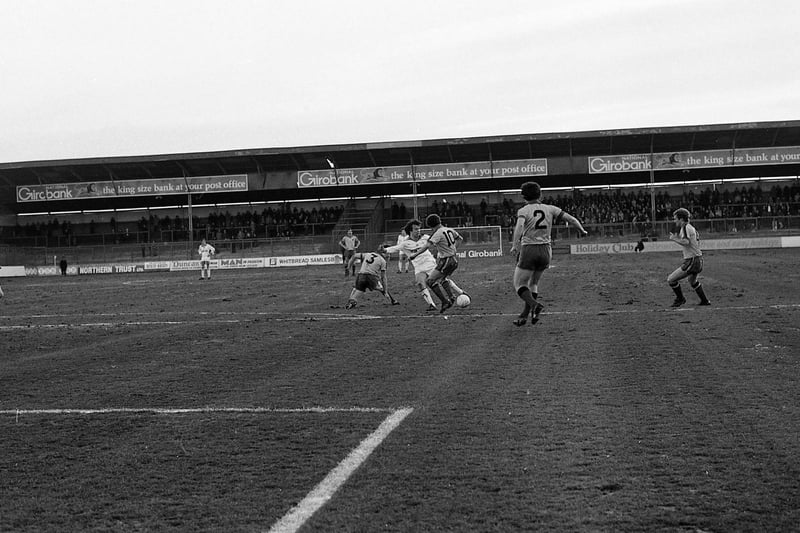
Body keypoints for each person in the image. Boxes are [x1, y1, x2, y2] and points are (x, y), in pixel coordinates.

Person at [510, 181, 588, 326]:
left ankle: (534, 305)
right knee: (533, 283)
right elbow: (570, 219)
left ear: (523, 196)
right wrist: (581, 230)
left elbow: (520, 226)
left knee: (519, 284)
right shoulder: (551, 209)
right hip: (546, 250)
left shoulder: (523, 211)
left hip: (529, 249)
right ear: (540, 194)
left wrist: (515, 244)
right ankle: (526, 314)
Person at [384, 219, 467, 312]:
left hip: (430, 264)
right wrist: (384, 250)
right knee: (420, 283)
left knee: (441, 280)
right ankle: (432, 304)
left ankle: (459, 293)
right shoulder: (405, 243)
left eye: (419, 229)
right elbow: (394, 248)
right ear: (410, 231)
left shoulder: (426, 237)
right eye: (416, 229)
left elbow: (438, 244)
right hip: (419, 268)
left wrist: (440, 253)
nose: (418, 231)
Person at [408, 214, 467, 314]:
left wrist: (414, 255)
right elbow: (460, 238)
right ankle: (451, 297)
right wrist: (453, 249)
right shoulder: (449, 229)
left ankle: (445, 301)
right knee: (442, 279)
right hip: (454, 260)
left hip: (446, 261)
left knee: (430, 281)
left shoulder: (437, 233)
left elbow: (427, 246)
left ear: (431, 226)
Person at [667, 208, 711, 307]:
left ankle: (680, 299)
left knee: (671, 279)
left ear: (681, 219)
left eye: (675, 219)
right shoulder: (690, 227)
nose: (674, 221)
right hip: (698, 259)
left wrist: (674, 239)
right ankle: (705, 301)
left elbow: (686, 242)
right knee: (692, 281)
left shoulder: (685, 227)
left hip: (692, 260)